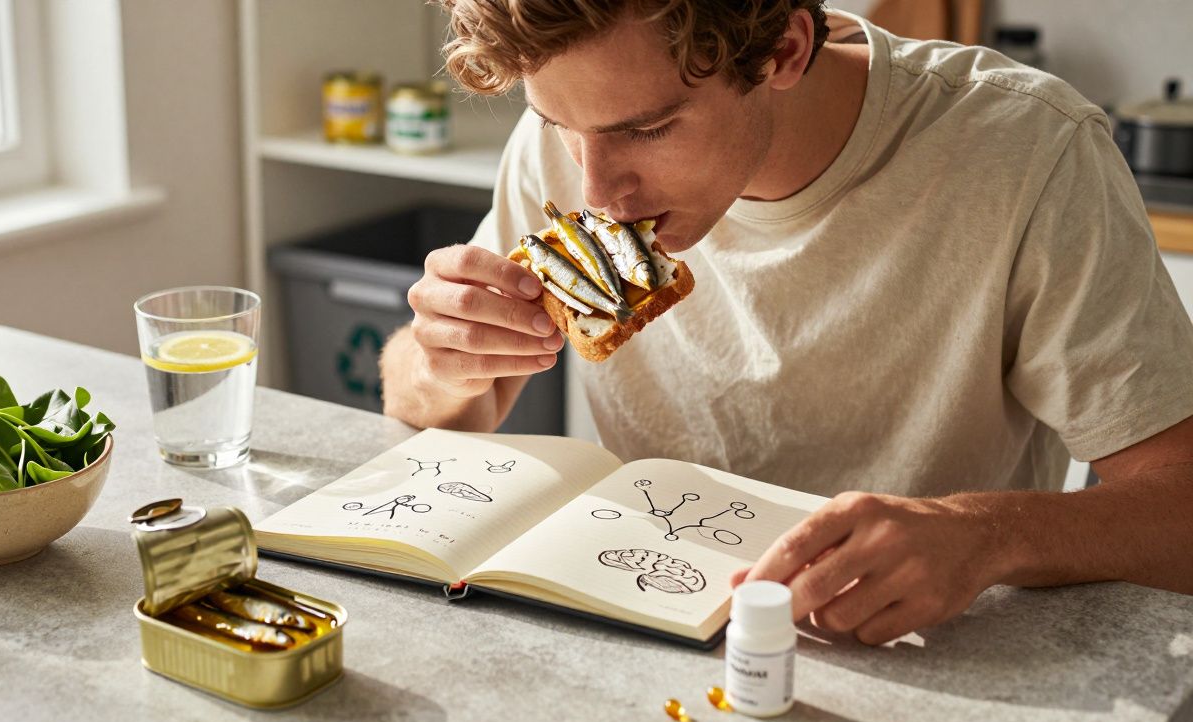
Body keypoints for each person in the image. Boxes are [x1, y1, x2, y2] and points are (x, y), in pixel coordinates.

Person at [379, 0, 1193, 645]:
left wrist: (979, 536)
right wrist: (440, 357)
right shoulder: (570, 139)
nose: (597, 192)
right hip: (653, 625)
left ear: (784, 52)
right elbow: (443, 411)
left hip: (931, 654)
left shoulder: (1028, 153)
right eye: (562, 126)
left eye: (648, 129)